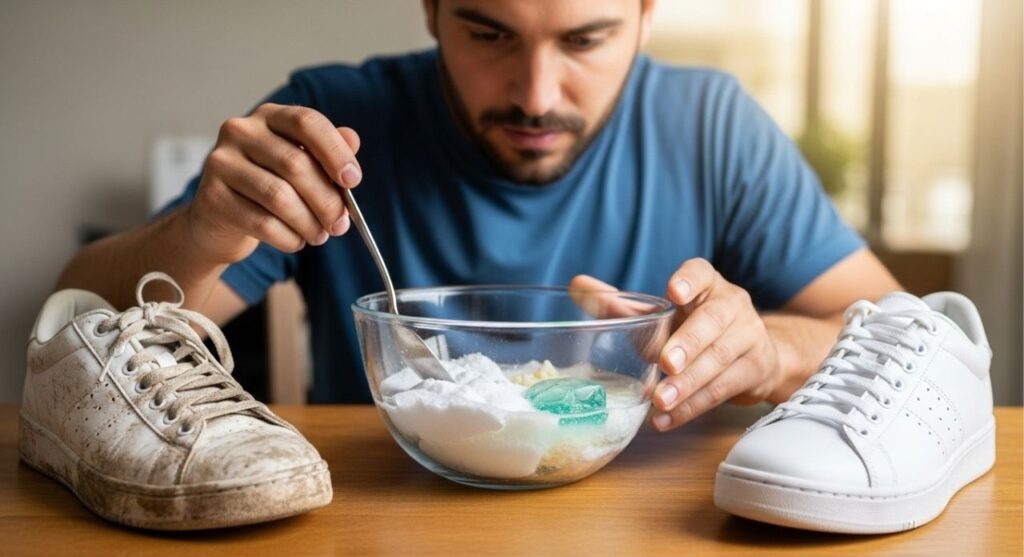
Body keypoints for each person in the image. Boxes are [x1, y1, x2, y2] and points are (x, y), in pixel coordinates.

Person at [56, 0, 901, 430]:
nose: (536, 96)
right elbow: (73, 333)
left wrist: (773, 352)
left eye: (584, 39)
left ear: (647, 15)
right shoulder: (335, 116)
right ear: (429, 9)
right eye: (489, 34)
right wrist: (202, 234)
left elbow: (905, 332)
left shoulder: (711, 127)